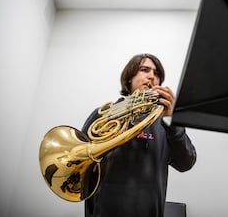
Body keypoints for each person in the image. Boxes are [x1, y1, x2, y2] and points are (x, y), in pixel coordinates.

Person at [81, 53, 197, 217]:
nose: (152, 76)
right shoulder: (103, 114)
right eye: (145, 70)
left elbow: (186, 163)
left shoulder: (164, 121)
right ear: (129, 77)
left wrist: (173, 121)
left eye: (156, 74)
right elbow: (81, 166)